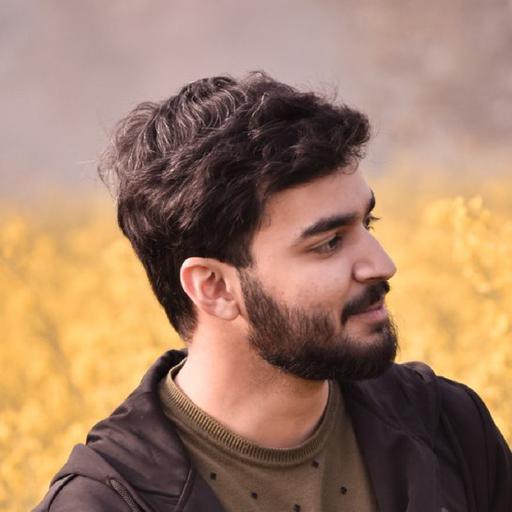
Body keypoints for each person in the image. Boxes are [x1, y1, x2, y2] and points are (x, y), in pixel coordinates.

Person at [34, 73, 511, 512]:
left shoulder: (449, 427)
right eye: (328, 243)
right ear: (214, 287)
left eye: (368, 222)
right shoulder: (106, 504)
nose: (383, 265)